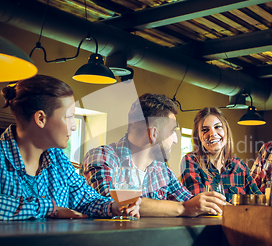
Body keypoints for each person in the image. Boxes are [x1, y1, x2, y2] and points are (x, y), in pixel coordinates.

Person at [0, 74, 140, 220]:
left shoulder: (58, 160)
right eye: (68, 117)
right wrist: (50, 208)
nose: (73, 125)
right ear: (41, 118)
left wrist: (114, 207)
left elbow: (87, 200)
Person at [83, 93, 227, 216]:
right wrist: (183, 208)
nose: (176, 140)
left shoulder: (161, 169)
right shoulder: (102, 157)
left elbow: (190, 201)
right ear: (153, 134)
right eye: (172, 132)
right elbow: (116, 204)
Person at [180, 107, 261, 202]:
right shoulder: (190, 161)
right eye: (205, 130)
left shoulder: (239, 166)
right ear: (198, 136)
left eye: (217, 127)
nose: (213, 133)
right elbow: (201, 204)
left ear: (226, 130)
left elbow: (259, 201)